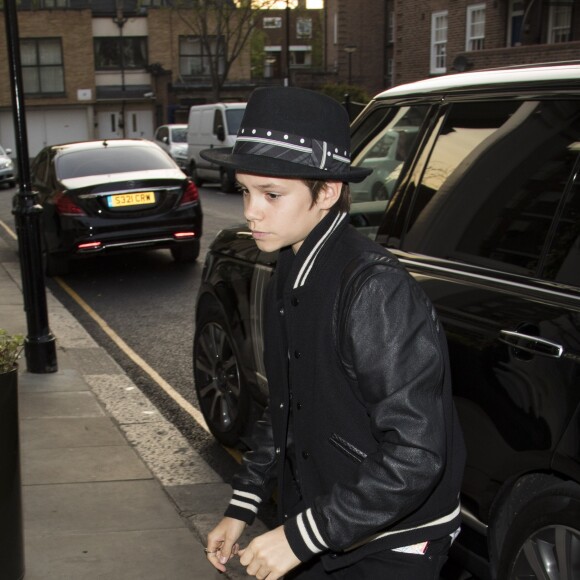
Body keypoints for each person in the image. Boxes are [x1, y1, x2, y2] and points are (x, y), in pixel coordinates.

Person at [200, 86, 466, 579]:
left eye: (272, 194)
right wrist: (243, 503)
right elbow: (286, 404)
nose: (250, 211)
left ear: (327, 192)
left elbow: (416, 454)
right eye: (245, 190)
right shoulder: (290, 263)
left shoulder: (374, 291)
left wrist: (301, 537)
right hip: (328, 518)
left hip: (391, 541)